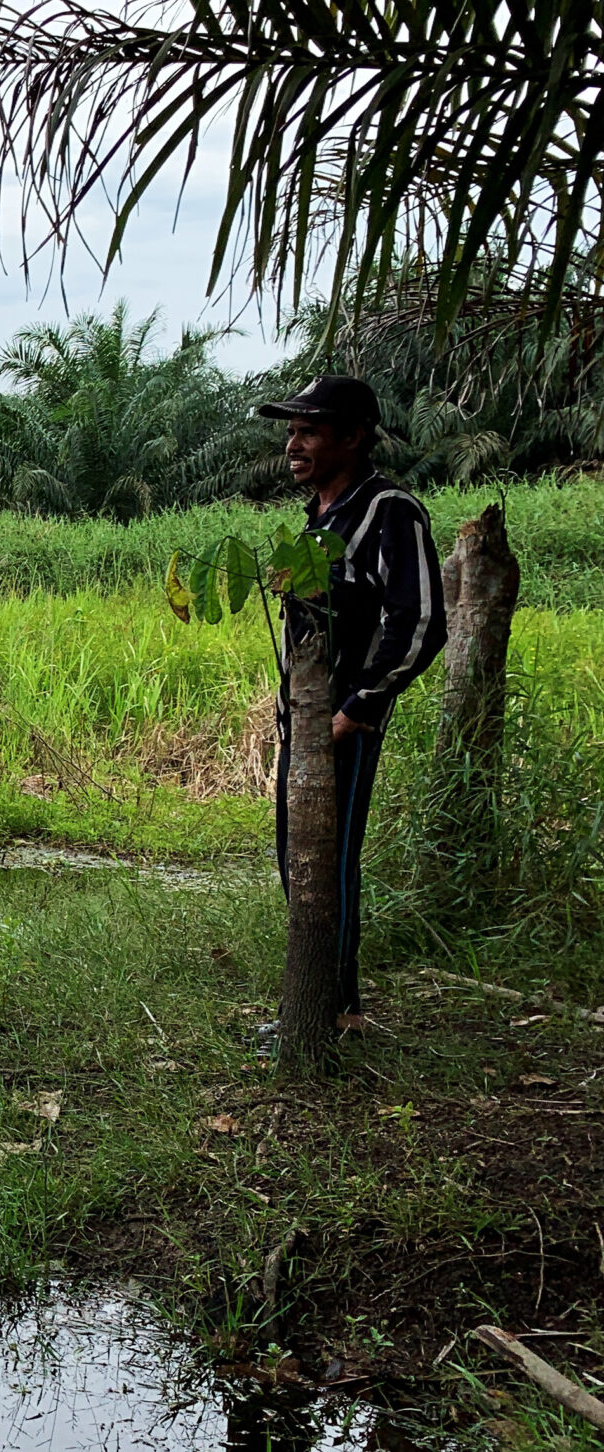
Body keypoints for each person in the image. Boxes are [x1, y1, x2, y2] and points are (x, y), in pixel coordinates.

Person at [254, 375, 447, 1031]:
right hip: (305, 727)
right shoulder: (321, 519)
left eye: (310, 430)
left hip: (344, 728)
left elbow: (419, 622)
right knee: (298, 862)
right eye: (290, 430)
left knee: (327, 865)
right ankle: (319, 1008)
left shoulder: (389, 511)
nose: (294, 443)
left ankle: (333, 1014)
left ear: (353, 436)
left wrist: (355, 710)